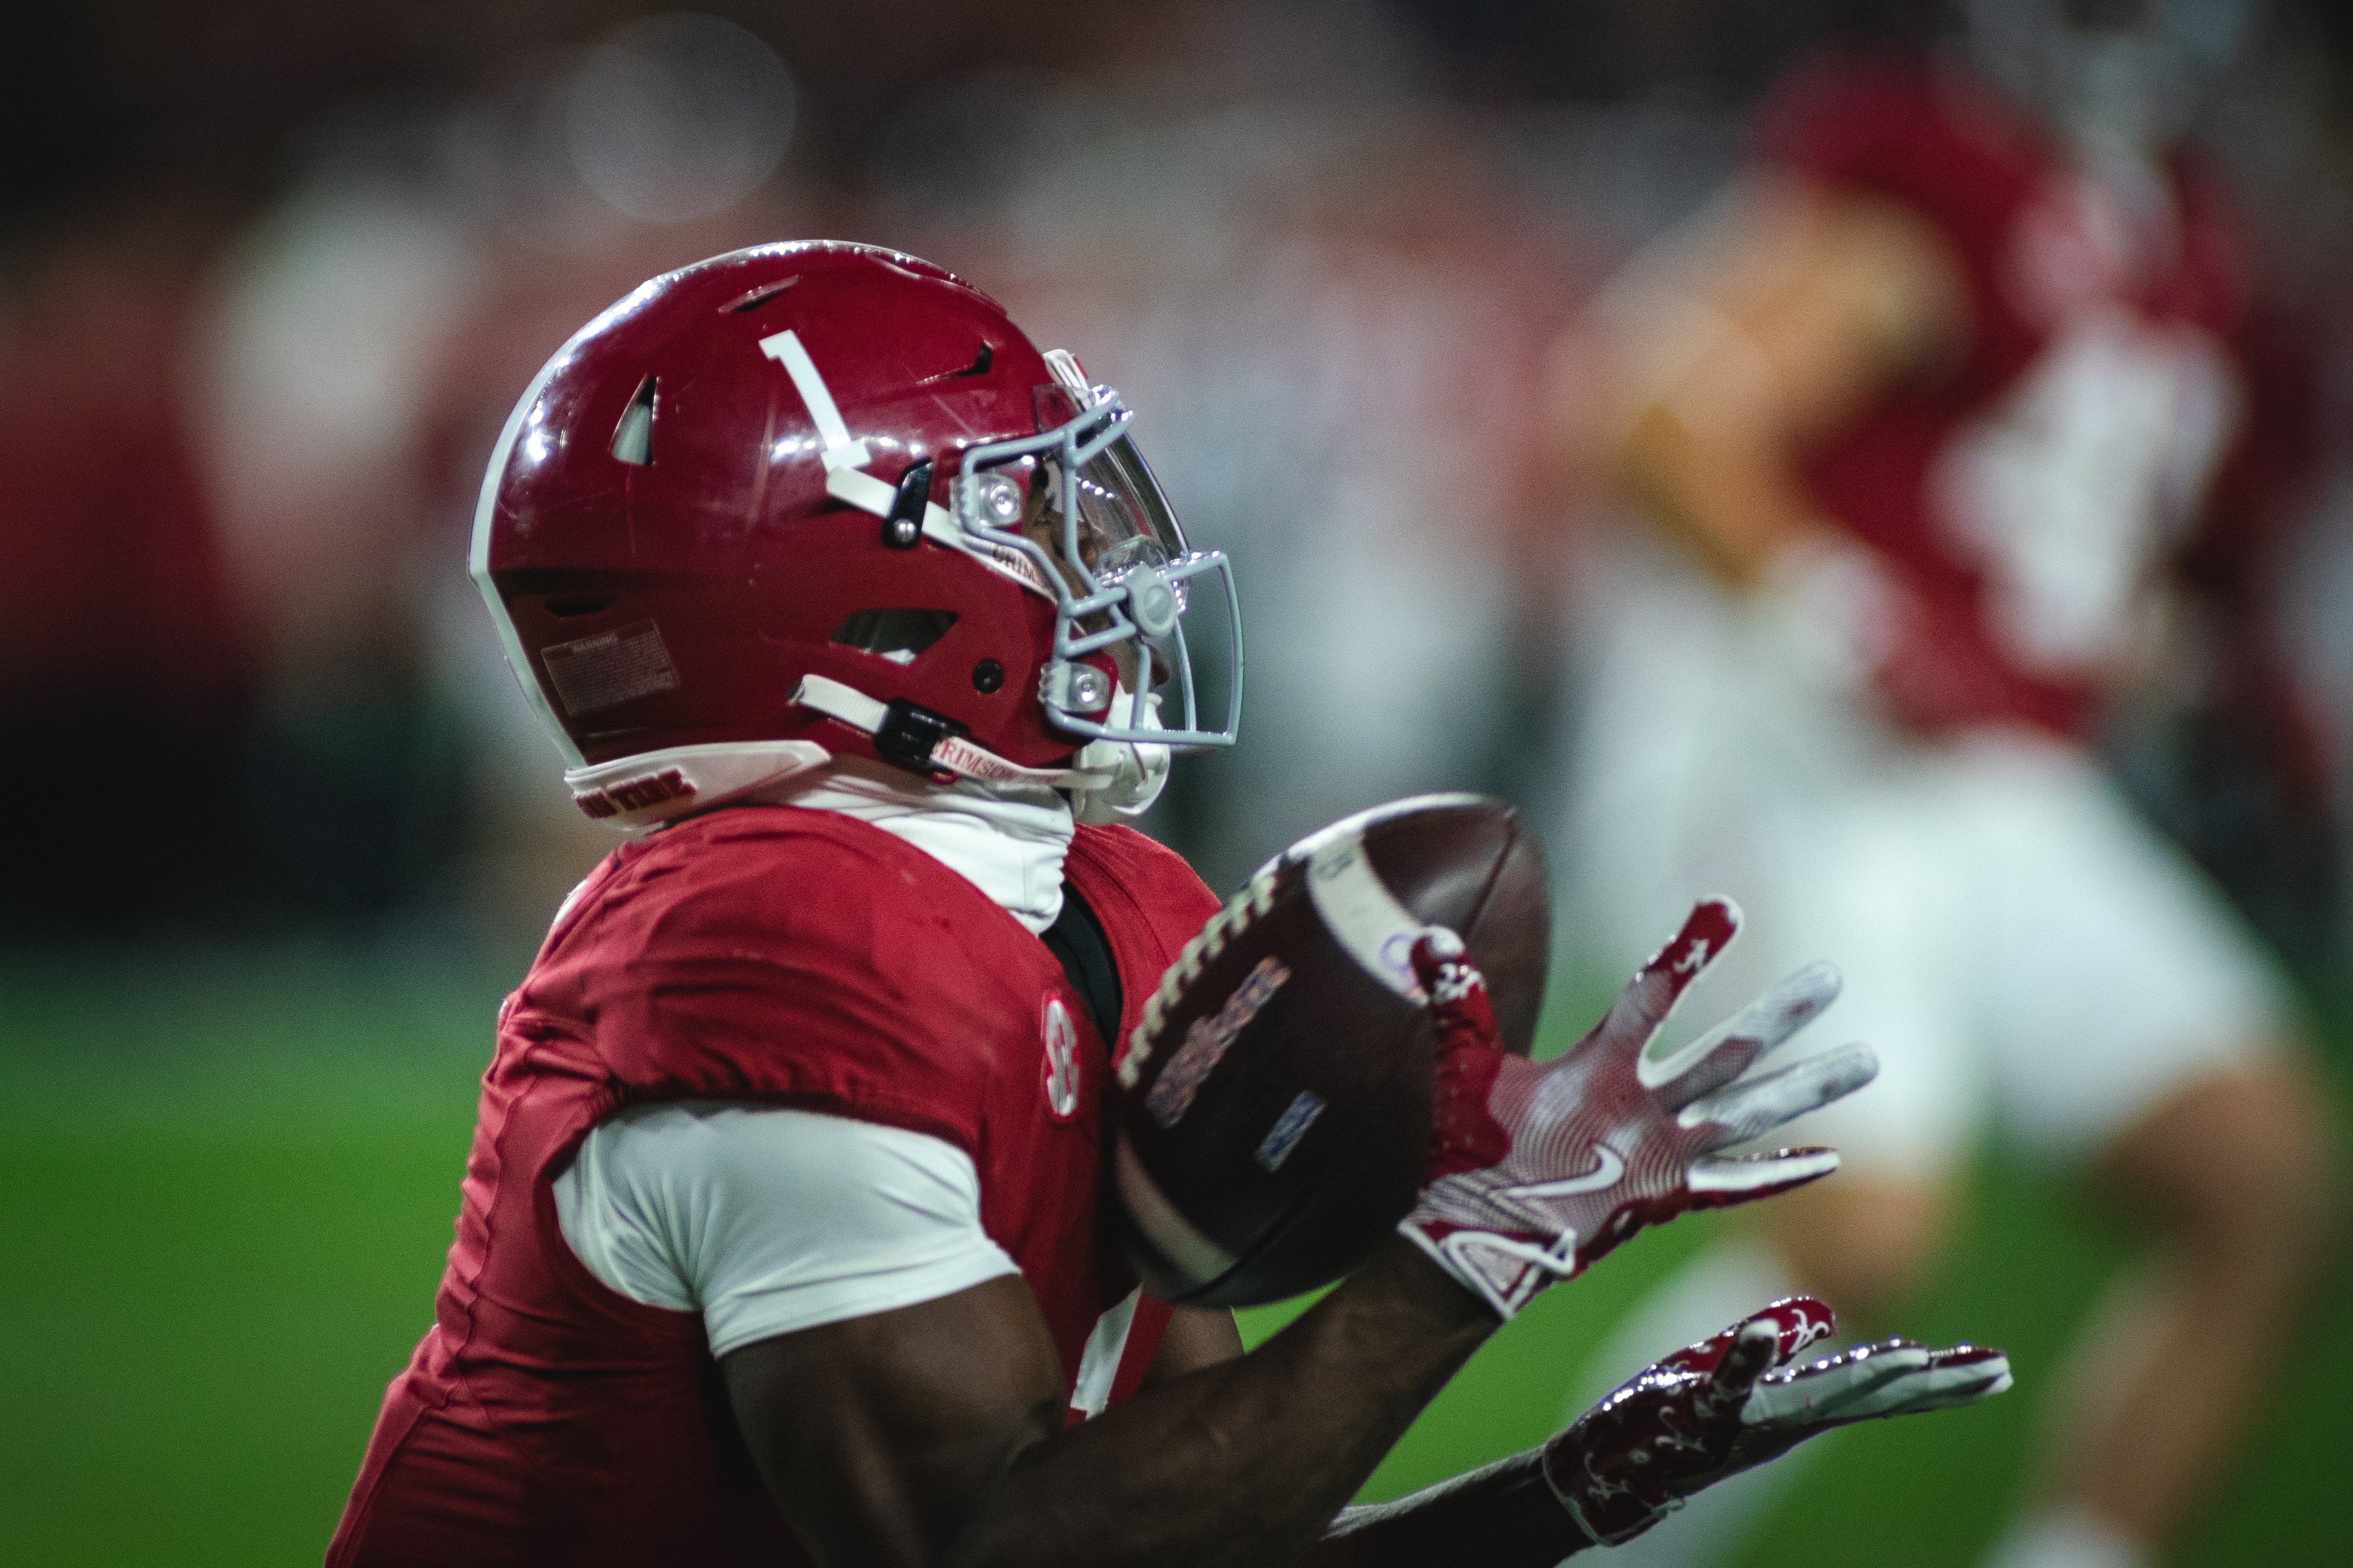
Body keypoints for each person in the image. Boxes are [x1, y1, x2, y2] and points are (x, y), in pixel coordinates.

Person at [326, 241, 2006, 1566]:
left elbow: (1193, 1540)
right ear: (842, 600)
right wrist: (1473, 1255)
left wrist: (1564, 1496)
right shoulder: (771, 947)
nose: (1101, 555)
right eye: (1017, 508)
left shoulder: (1111, 897)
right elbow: (994, 1553)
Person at [1557, 4, 2342, 1565]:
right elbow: (1654, 417)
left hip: (2005, 786)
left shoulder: (2185, 230)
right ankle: (1556, 1559)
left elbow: (2102, 548)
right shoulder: (1940, 175)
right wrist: (1855, 631)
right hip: (1821, 769)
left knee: (2258, 1185)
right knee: (1855, 1241)